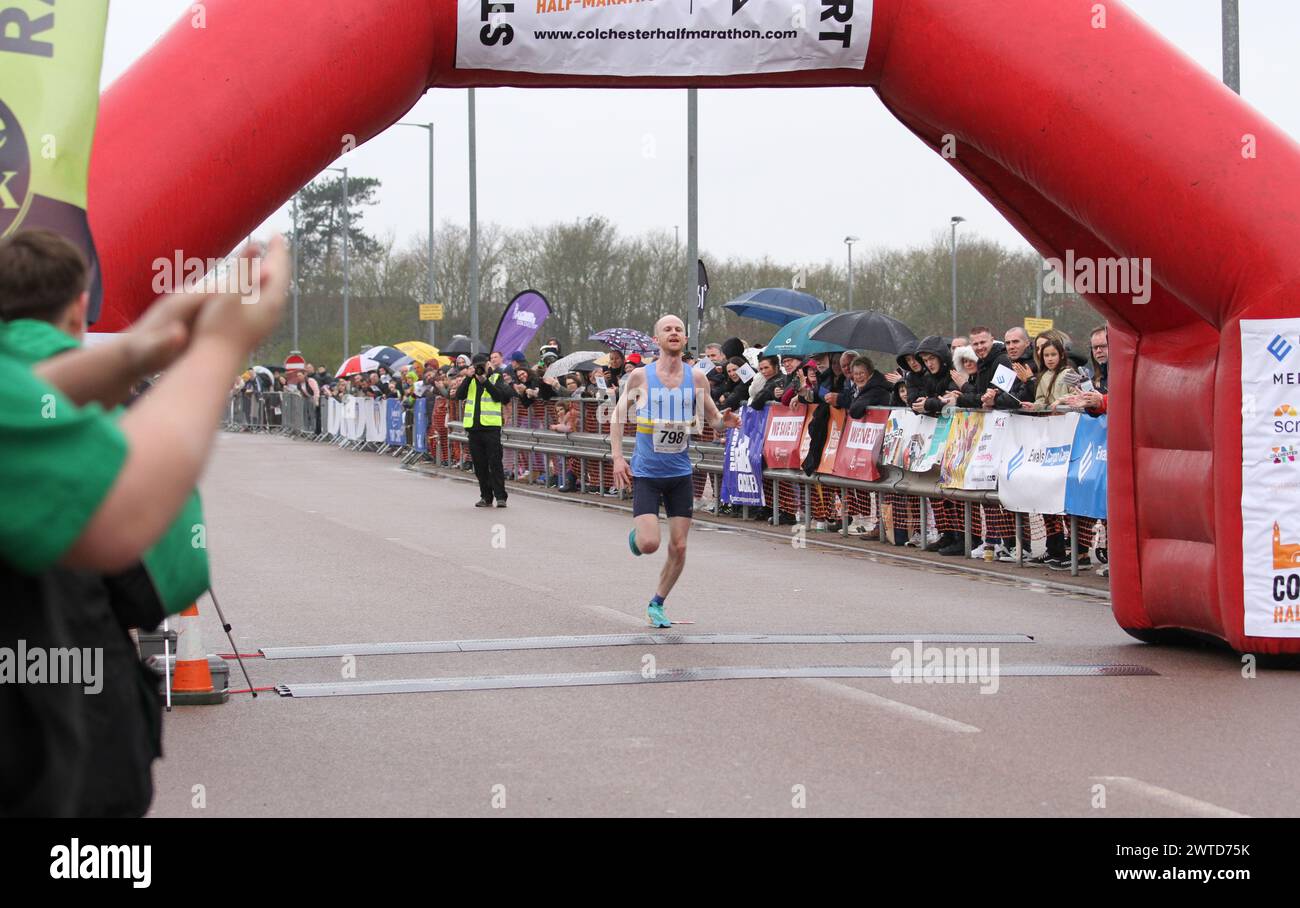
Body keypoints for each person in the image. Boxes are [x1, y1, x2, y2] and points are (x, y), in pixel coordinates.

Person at [0, 230, 289, 816]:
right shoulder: (120, 417)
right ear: (81, 306)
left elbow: (33, 397)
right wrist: (221, 342)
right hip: (72, 732)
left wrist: (141, 349)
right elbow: (162, 576)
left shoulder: (31, 398)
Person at [610, 315, 740, 628]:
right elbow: (617, 416)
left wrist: (726, 422)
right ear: (657, 339)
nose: (673, 333)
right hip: (647, 473)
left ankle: (657, 602)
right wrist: (617, 458)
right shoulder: (641, 376)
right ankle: (638, 538)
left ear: (684, 339)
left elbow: (713, 419)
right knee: (650, 544)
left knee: (679, 546)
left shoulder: (696, 379)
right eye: (667, 329)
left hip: (680, 473)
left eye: (678, 329)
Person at [454, 352, 514, 507]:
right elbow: (459, 395)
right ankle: (486, 497)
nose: (479, 368)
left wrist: (485, 381)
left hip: (491, 428)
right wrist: (468, 377)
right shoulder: (470, 380)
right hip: (474, 429)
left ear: (488, 364)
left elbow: (499, 396)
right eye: (476, 366)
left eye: (482, 365)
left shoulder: (496, 378)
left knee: (495, 463)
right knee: (480, 466)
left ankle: (500, 497)